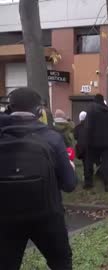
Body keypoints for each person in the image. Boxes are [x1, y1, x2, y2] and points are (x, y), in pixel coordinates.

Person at [0, 87, 77, 269]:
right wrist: (71, 168)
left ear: (9, 109)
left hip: (5, 217)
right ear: (38, 111)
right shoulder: (52, 138)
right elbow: (69, 184)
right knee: (61, 263)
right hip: (47, 216)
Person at [84, 94, 108, 192]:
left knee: (89, 161)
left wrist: (87, 139)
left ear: (95, 101)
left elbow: (87, 126)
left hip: (93, 141)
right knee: (106, 162)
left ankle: (88, 183)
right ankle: (107, 184)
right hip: (107, 141)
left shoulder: (91, 110)